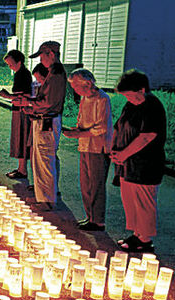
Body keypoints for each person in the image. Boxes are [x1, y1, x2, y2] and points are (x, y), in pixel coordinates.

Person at [111, 69, 167, 253]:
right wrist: (115, 150)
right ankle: (137, 234)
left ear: (141, 89)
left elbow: (147, 136)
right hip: (128, 164)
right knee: (130, 200)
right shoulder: (131, 105)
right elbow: (119, 127)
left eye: (129, 95)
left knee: (143, 202)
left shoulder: (152, 106)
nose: (128, 99)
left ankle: (145, 239)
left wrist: (124, 153)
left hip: (146, 164)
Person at [13, 41, 67, 211]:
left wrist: (28, 102)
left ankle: (47, 200)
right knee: (41, 159)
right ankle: (42, 196)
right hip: (43, 119)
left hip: (48, 121)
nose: (41, 60)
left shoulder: (56, 74)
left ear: (51, 54)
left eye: (42, 56)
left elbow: (48, 102)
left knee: (44, 160)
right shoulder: (52, 73)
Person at [62, 68, 112, 231]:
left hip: (98, 148)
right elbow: (82, 120)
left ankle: (98, 220)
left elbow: (102, 127)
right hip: (84, 145)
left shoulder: (102, 99)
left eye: (76, 86)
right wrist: (75, 130)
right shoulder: (85, 98)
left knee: (96, 184)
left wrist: (79, 133)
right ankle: (90, 216)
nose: (75, 90)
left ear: (88, 83)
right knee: (85, 184)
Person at [0, 50, 33, 179]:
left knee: (22, 138)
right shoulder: (20, 74)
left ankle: (23, 170)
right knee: (19, 138)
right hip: (18, 109)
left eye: (10, 64)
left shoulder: (23, 74)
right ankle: (20, 168)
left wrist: (7, 96)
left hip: (22, 110)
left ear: (19, 62)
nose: (9, 66)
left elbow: (25, 94)